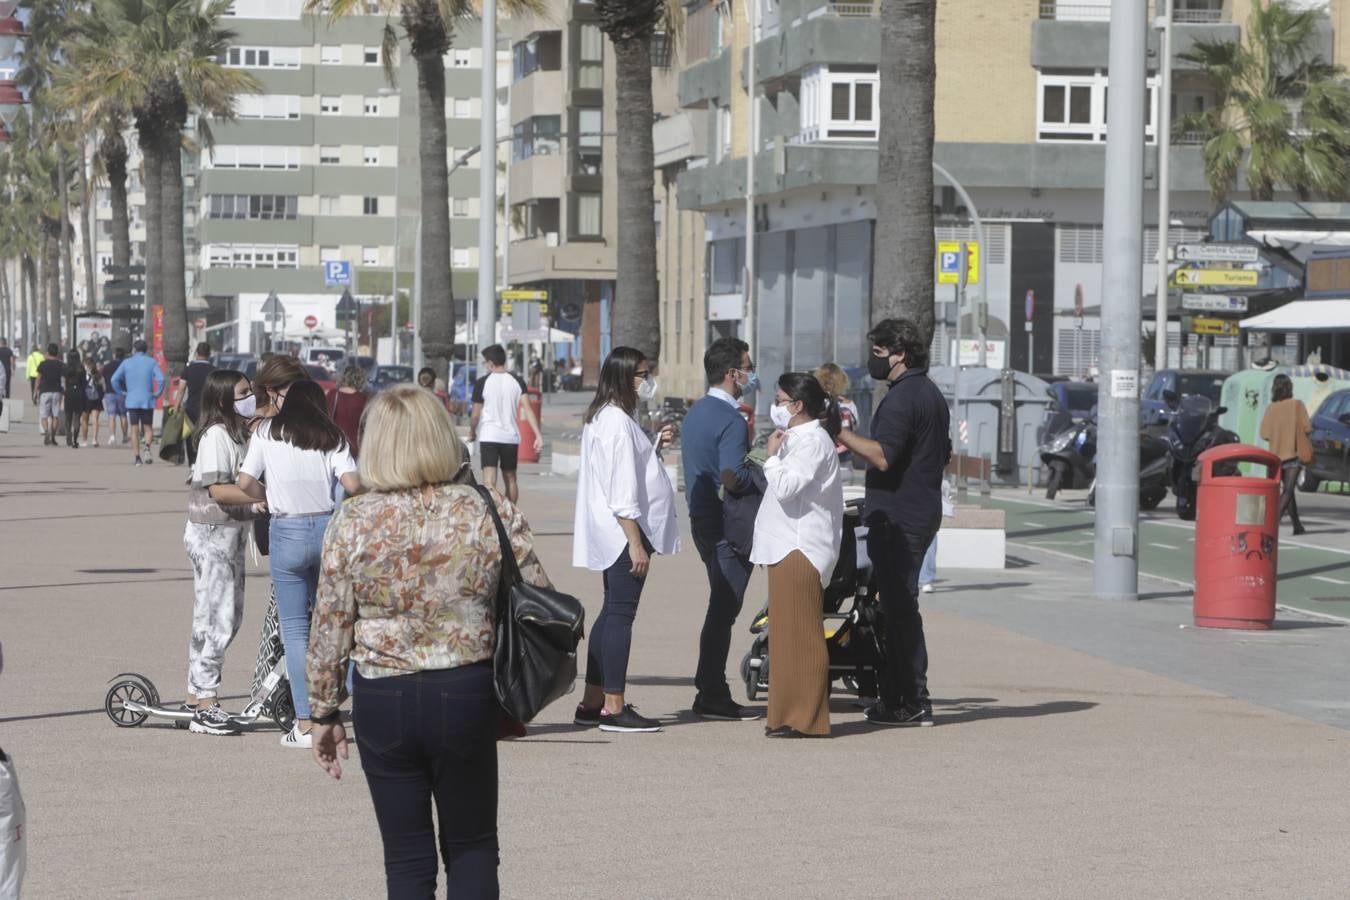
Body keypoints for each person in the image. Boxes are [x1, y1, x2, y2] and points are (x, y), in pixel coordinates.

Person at [308, 385, 551, 897]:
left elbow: (330, 623)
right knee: (474, 844)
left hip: (383, 693)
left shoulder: (352, 519)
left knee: (406, 858)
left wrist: (323, 712)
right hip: (467, 687)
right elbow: (540, 594)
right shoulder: (487, 508)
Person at [837, 319, 950, 727]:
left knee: (900, 610)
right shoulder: (930, 392)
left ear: (899, 354)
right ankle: (900, 697)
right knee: (896, 607)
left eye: (880, 352)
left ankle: (911, 700)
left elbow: (883, 455)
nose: (874, 360)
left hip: (902, 518)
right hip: (917, 511)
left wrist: (841, 432)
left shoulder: (904, 398)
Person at [237, 379, 360, 749]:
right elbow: (353, 483)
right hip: (326, 529)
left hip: (286, 530)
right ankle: (354, 692)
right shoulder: (332, 435)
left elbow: (244, 482)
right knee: (337, 621)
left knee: (295, 629)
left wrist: (269, 495)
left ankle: (305, 722)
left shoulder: (266, 433)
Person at [572, 348, 680, 733]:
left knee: (610, 611)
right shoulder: (615, 421)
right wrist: (635, 542)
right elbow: (621, 489)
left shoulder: (608, 417)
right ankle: (614, 707)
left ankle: (593, 700)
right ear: (624, 377)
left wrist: (653, 447)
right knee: (621, 614)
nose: (647, 380)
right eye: (642, 374)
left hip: (614, 530)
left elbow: (626, 470)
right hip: (623, 533)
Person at [750, 373, 844, 738]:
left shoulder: (813, 441)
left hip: (800, 547)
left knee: (802, 635)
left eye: (780, 399)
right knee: (785, 637)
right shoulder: (799, 438)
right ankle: (785, 714)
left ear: (798, 405)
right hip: (786, 545)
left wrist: (770, 459)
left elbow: (788, 487)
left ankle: (807, 717)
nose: (776, 406)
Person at [679, 337, 761, 721]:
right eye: (747, 366)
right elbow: (735, 477)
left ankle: (708, 688)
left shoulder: (696, 412)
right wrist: (766, 457)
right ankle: (711, 690)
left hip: (702, 518)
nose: (750, 372)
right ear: (733, 373)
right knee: (723, 609)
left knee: (719, 606)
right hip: (728, 524)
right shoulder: (731, 419)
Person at [180, 370, 264, 736]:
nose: (250, 397)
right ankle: (207, 702)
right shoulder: (216, 435)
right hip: (211, 535)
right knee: (216, 618)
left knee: (226, 618)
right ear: (223, 400)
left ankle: (195, 695)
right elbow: (219, 490)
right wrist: (264, 500)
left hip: (230, 536)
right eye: (243, 393)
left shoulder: (239, 434)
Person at [469, 344, 543, 504]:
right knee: (511, 478)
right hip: (510, 437)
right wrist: (538, 435)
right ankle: (512, 514)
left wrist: (472, 431)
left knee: (489, 481)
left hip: (489, 436)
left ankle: (495, 515)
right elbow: (528, 410)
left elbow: (475, 414)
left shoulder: (482, 382)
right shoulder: (517, 381)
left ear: (490, 363)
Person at [1260, 373, 1312, 536]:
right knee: (1288, 490)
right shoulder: (1297, 405)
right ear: (1289, 388)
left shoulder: (1271, 408)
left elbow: (1264, 434)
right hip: (1293, 454)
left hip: (1275, 457)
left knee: (1288, 492)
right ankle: (1273, 522)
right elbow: (1308, 428)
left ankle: (1297, 525)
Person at [110, 339, 166, 466]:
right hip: (147, 399)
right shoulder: (151, 362)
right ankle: (147, 447)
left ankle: (137, 458)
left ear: (134, 350)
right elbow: (161, 379)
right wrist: (157, 393)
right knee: (148, 427)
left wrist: (121, 392)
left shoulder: (126, 362)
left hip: (132, 400)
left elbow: (114, 379)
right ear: (146, 350)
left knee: (134, 428)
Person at [172, 342, 214, 465]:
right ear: (209, 354)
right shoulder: (214, 370)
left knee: (190, 436)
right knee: (206, 436)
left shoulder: (188, 369)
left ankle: (192, 464)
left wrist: (176, 408)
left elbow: (181, 389)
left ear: (196, 353)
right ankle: (203, 463)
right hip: (208, 410)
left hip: (191, 409)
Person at [814, 362, 860, 474]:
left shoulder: (815, 404)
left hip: (820, 462)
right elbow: (856, 427)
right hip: (844, 462)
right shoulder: (849, 405)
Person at [326, 364, 369, 458]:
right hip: (355, 448)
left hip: (334, 445)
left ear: (343, 377)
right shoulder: (363, 399)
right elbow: (366, 425)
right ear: (360, 379)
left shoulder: (332, 395)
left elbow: (325, 419)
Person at [35, 344, 65, 447]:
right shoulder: (61, 364)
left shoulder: (43, 364)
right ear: (57, 353)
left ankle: (47, 431)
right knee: (55, 415)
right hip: (56, 391)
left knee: (44, 415)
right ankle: (53, 436)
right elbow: (63, 379)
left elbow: (38, 378)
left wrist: (35, 391)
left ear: (48, 352)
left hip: (45, 391)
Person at [101, 347, 129, 446]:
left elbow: (103, 378)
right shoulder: (125, 366)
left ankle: (112, 436)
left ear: (114, 355)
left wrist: (104, 390)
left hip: (109, 393)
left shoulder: (107, 366)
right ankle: (125, 436)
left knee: (111, 415)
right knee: (123, 415)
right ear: (123, 356)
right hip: (122, 393)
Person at [61, 350, 87, 448]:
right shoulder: (81, 368)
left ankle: (69, 435)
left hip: (69, 392)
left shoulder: (65, 367)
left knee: (68, 416)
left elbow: (63, 381)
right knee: (77, 417)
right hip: (79, 392)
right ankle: (75, 440)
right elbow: (84, 383)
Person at [81, 356, 105, 448]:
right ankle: (94, 439)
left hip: (86, 399)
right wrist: (101, 396)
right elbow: (104, 388)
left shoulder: (83, 375)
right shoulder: (98, 375)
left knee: (85, 420)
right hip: (96, 399)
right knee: (95, 420)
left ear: (85, 365)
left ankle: (84, 440)